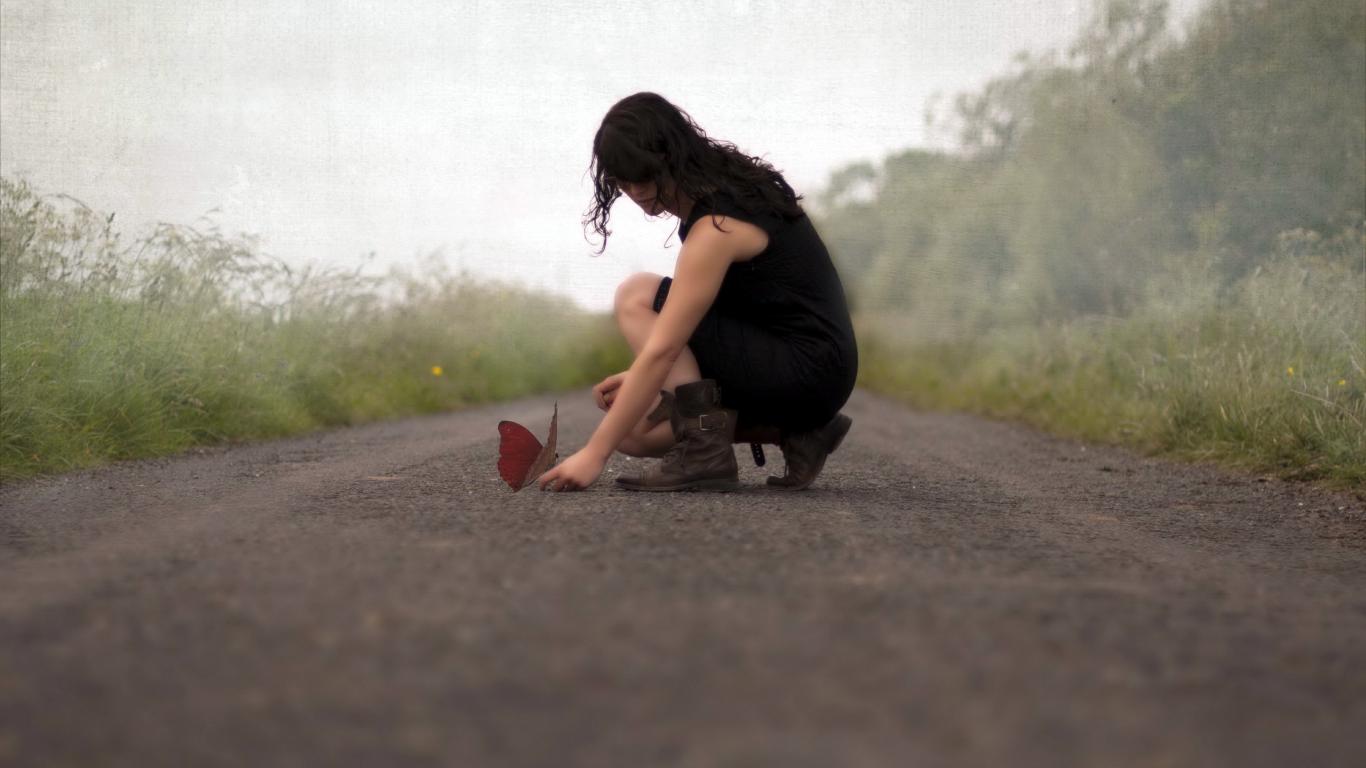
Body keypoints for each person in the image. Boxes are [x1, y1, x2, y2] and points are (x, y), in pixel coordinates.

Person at [536, 91, 857, 493]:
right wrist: (639, 379)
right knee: (633, 433)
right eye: (623, 180)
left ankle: (704, 452)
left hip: (808, 367)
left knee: (636, 295)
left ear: (670, 157)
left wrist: (594, 454)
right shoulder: (725, 188)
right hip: (807, 364)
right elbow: (722, 318)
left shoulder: (716, 226)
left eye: (643, 175)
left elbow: (666, 347)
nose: (635, 190)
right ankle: (797, 433)